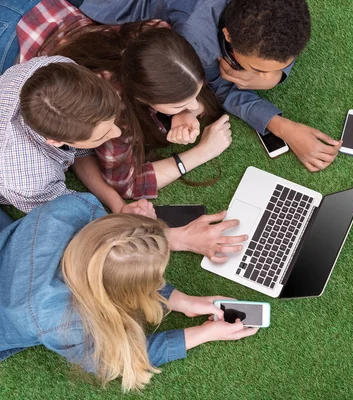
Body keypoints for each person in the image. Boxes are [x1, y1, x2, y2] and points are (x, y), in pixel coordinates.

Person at [0, 192, 257, 392]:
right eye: (156, 279)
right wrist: (202, 333)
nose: (161, 281)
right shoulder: (62, 321)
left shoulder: (74, 207)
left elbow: (117, 264)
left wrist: (181, 300)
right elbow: (117, 359)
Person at [79, 0, 343, 172]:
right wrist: (280, 125)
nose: (266, 77)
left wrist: (274, 75)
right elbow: (217, 86)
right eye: (259, 69)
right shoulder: (196, 40)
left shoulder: (274, 13)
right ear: (227, 35)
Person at [22, 13, 232, 200]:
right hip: (18, 36)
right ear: (141, 95)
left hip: (49, 13)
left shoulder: (158, 32)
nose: (195, 106)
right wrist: (202, 152)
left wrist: (182, 111)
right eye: (180, 104)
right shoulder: (112, 105)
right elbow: (127, 183)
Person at [0, 55, 150, 215]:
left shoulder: (59, 67)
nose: (117, 132)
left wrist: (117, 205)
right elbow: (73, 216)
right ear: (55, 141)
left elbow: (78, 151)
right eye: (101, 136)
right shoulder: (29, 182)